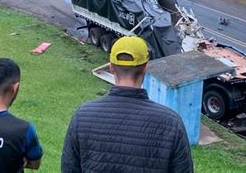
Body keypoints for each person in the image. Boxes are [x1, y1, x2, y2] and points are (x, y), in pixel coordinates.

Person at [61, 36, 193, 173]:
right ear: (145, 68)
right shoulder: (171, 122)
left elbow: (69, 168)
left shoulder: (82, 116)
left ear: (111, 67)